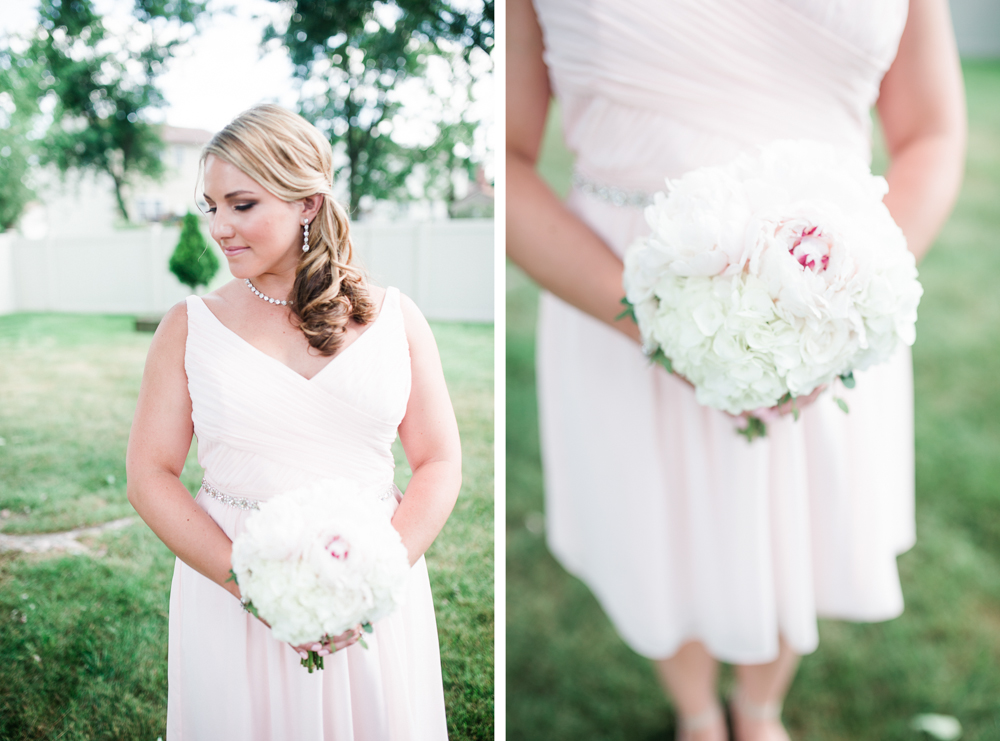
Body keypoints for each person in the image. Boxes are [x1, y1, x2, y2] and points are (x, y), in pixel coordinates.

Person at [507, 1, 966, 740]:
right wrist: (653, 320)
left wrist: (845, 305)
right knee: (653, 521)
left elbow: (932, 132)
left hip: (827, 287)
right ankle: (696, 712)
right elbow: (504, 156)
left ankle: (758, 711)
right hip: (619, 283)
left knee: (799, 520)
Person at [126, 104, 462, 741]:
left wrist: (377, 577)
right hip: (233, 595)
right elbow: (149, 475)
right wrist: (254, 588)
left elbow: (440, 460)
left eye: (242, 204)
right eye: (212, 206)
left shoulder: (396, 319)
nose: (220, 227)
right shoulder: (188, 326)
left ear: (307, 204)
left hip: (371, 586)